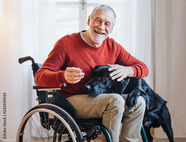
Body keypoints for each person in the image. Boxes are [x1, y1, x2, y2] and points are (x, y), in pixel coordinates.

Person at [35, 4, 149, 142]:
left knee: (139, 102)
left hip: (101, 100)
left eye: (107, 24)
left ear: (111, 28)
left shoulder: (113, 47)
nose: (101, 27)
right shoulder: (66, 43)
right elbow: (39, 77)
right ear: (89, 21)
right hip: (71, 101)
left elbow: (143, 68)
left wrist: (128, 70)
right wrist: (63, 75)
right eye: (98, 20)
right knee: (116, 100)